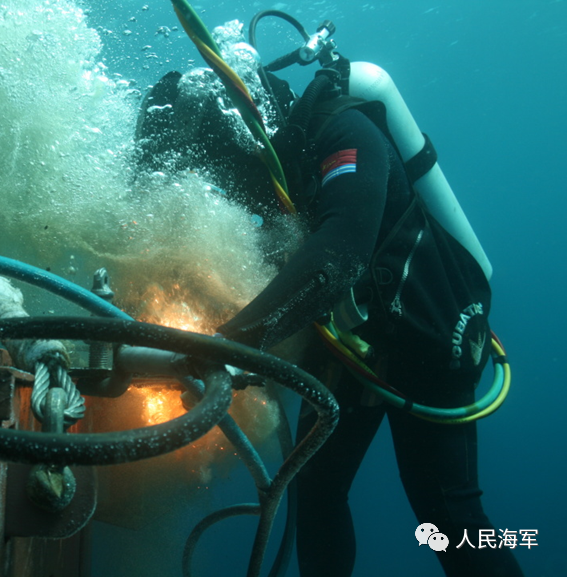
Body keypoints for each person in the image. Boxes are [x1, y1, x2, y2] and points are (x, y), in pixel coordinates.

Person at [134, 37, 525, 577]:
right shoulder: (286, 174)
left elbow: (339, 252)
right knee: (317, 498)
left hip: (431, 338)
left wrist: (228, 346)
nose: (225, 185)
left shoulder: (342, 131)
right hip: (356, 347)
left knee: (450, 518)